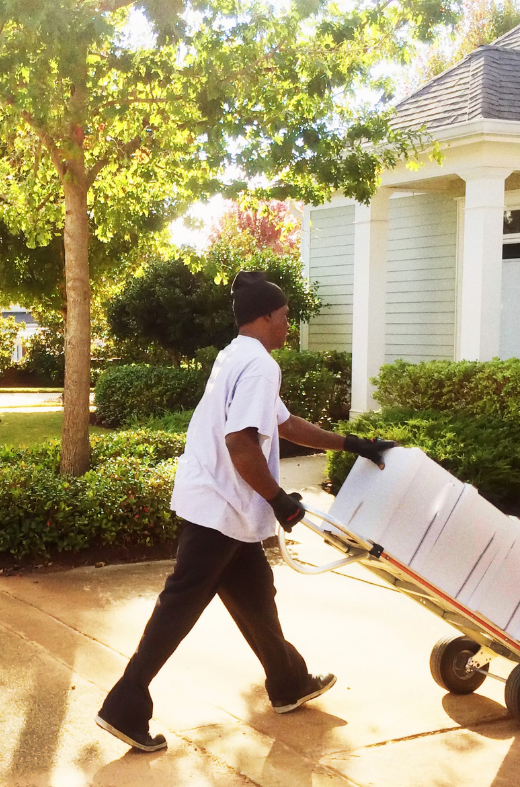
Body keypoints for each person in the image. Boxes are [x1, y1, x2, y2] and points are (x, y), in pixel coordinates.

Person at [95, 270, 395, 753]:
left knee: (255, 590)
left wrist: (353, 443)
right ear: (262, 318)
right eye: (283, 317)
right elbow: (240, 443)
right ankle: (125, 703)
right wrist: (279, 499)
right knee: (181, 605)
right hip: (220, 504)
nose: (287, 326)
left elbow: (284, 422)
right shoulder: (258, 365)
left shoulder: (238, 355)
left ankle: (287, 680)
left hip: (220, 503)